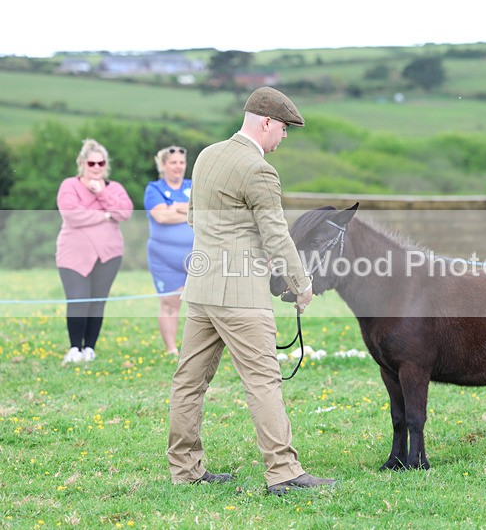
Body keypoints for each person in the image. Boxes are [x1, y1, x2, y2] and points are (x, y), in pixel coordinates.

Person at [167, 86, 334, 495]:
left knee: (188, 382)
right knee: (263, 382)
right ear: (266, 123)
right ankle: (283, 472)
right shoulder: (259, 170)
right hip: (241, 296)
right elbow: (277, 236)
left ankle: (185, 469)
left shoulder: (207, 155)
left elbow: (192, 217)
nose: (285, 137)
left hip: (202, 290)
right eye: (284, 129)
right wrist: (302, 284)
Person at [56, 138, 133, 365]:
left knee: (97, 301)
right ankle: (74, 348)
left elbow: (125, 212)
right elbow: (71, 215)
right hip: (73, 254)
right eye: (92, 164)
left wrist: (102, 195)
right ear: (82, 163)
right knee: (78, 300)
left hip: (108, 255)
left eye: (101, 163)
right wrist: (105, 215)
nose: (96, 167)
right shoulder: (69, 185)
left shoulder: (115, 188)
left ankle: (89, 348)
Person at [144, 146, 194, 355]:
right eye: (173, 162)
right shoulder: (154, 188)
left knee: (201, 304)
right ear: (163, 165)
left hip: (196, 256)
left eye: (181, 162)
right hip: (164, 258)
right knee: (170, 302)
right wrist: (189, 210)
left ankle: (196, 349)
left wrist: (174, 207)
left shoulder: (194, 185)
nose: (178, 166)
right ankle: (171, 349)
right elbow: (161, 217)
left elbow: (207, 212)